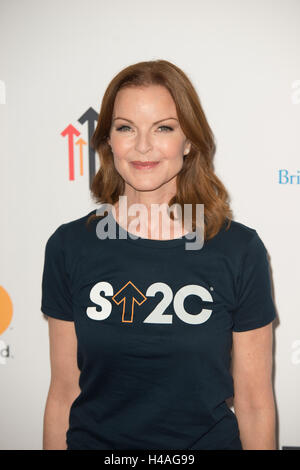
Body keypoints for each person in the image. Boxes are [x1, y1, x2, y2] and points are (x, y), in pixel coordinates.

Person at [41, 59, 277, 450]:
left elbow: (254, 403)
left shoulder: (238, 249)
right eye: (126, 128)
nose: (143, 146)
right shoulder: (69, 246)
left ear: (188, 142)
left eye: (163, 128)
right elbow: (63, 393)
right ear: (108, 142)